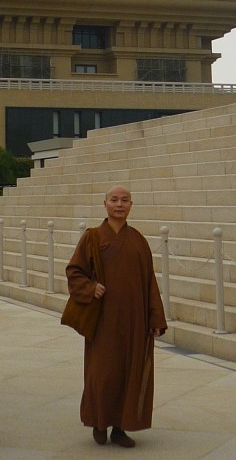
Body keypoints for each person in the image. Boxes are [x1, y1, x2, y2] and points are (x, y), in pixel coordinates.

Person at [65, 185, 167, 448]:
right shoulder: (93, 237)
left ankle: (120, 428)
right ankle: (99, 422)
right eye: (114, 200)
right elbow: (74, 271)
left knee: (129, 373)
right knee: (103, 373)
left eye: (124, 200)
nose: (119, 205)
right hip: (103, 320)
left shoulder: (138, 241)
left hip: (134, 321)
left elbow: (149, 282)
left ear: (131, 205)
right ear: (105, 204)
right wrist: (90, 287)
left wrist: (155, 318)